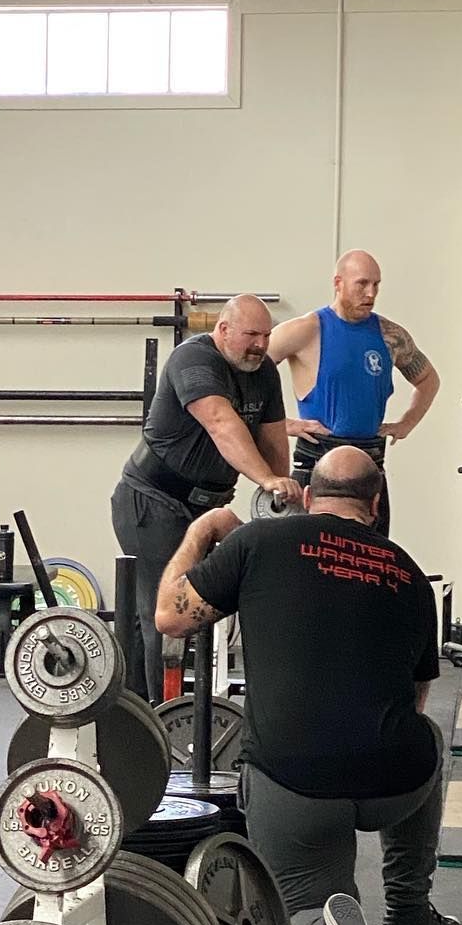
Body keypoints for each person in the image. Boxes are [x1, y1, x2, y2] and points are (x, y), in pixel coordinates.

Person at [154, 446, 461, 925]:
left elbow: (170, 616)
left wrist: (202, 530)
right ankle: (410, 912)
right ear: (374, 504)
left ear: (309, 496)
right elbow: (415, 698)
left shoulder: (257, 543)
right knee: (428, 740)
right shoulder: (410, 574)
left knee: (288, 914)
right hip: (395, 782)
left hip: (296, 780)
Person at [111, 295, 298, 702]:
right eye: (251, 334)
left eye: (266, 336)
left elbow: (273, 437)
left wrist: (284, 491)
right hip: (153, 503)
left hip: (207, 508)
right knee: (162, 617)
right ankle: (150, 724)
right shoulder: (192, 359)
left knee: (207, 609)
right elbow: (220, 422)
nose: (261, 345)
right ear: (223, 329)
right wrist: (267, 478)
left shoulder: (264, 371)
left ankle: (191, 713)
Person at [268, 250, 440, 536]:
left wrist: (406, 423)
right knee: (307, 557)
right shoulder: (305, 330)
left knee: (371, 560)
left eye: (376, 285)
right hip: (317, 463)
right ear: (338, 282)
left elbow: (428, 380)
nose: (370, 293)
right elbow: (244, 376)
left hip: (369, 466)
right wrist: (284, 425)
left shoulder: (390, 335)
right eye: (362, 284)